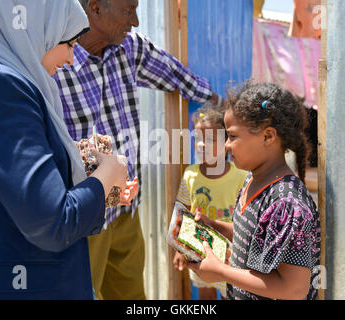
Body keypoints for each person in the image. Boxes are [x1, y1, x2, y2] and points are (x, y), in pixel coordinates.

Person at [0, 0, 134, 299]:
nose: (72, 59)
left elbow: (4, 191)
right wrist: (108, 173)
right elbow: (52, 223)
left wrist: (84, 168)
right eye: (69, 43)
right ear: (32, 31)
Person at [54, 0, 222, 300]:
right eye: (129, 9)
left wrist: (220, 103)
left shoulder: (129, 48)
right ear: (95, 8)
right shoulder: (54, 61)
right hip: (82, 218)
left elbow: (175, 74)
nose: (136, 21)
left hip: (125, 210)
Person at [187, 81, 321, 300]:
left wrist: (221, 272)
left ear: (268, 136)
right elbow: (256, 235)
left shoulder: (287, 203)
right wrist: (215, 226)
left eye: (232, 136)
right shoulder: (253, 178)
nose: (226, 145)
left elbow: (294, 289)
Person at [173, 105, 248, 300]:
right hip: (198, 251)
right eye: (197, 138)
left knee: (229, 294)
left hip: (230, 256)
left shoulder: (241, 176)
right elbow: (182, 212)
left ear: (226, 143)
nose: (201, 145)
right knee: (205, 294)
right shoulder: (190, 174)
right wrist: (179, 249)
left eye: (209, 140)